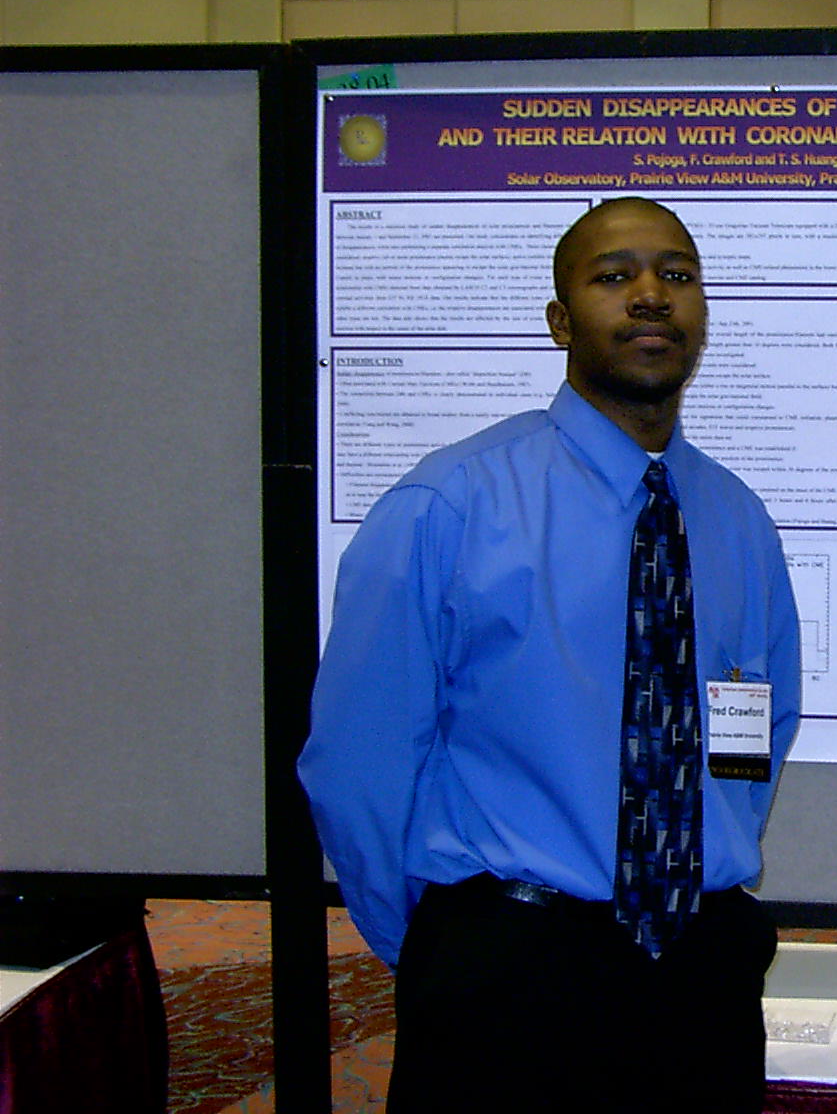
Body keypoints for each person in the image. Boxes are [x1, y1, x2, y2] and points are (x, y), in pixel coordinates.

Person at [298, 196, 803, 1112]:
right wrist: (446, 944)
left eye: (677, 275)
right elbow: (358, 766)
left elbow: (752, 739)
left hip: (702, 978)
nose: (652, 296)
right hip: (511, 981)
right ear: (561, 321)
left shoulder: (737, 521)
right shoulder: (448, 505)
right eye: (615, 276)